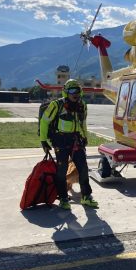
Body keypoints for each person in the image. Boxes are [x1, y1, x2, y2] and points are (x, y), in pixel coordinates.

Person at [40, 79, 98, 210]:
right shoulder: (56, 105)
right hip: (60, 141)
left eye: (77, 90)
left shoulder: (82, 105)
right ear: (66, 92)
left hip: (76, 140)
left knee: (83, 168)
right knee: (61, 171)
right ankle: (63, 199)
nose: (75, 93)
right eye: (72, 90)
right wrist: (44, 141)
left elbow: (83, 122)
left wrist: (85, 137)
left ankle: (86, 197)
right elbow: (44, 122)